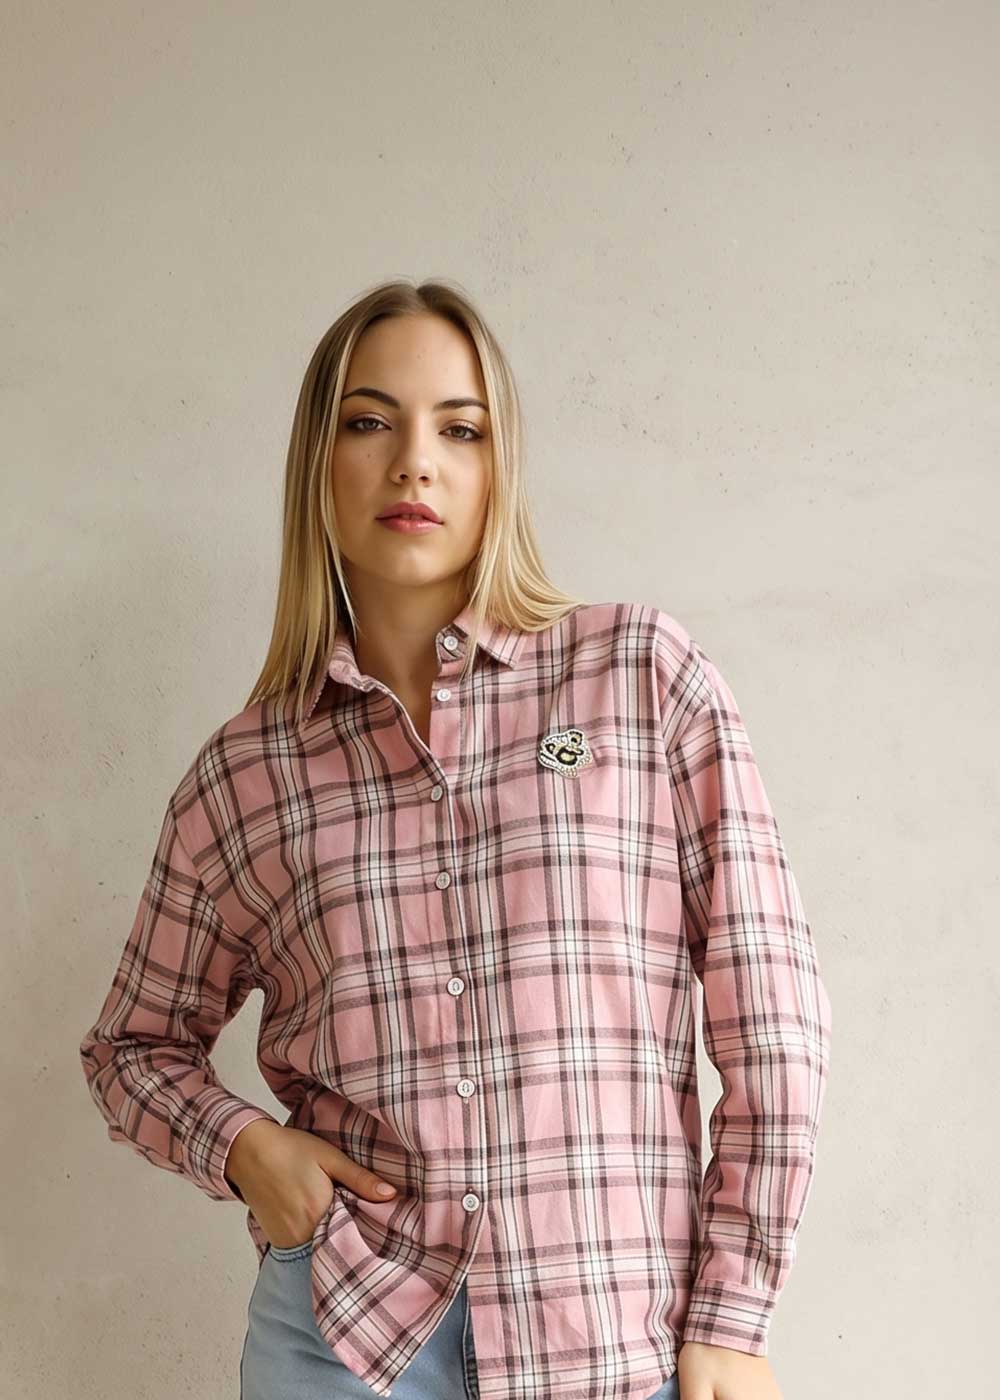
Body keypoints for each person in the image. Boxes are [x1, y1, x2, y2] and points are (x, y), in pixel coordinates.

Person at [79, 278, 832, 1400]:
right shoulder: (244, 776)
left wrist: (731, 1312)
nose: (414, 462)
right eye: (370, 421)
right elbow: (129, 1050)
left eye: (459, 429)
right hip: (343, 1337)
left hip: (607, 1337)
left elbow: (770, 1019)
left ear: (497, 467)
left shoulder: (640, 679)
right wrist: (247, 1149)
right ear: (318, 463)